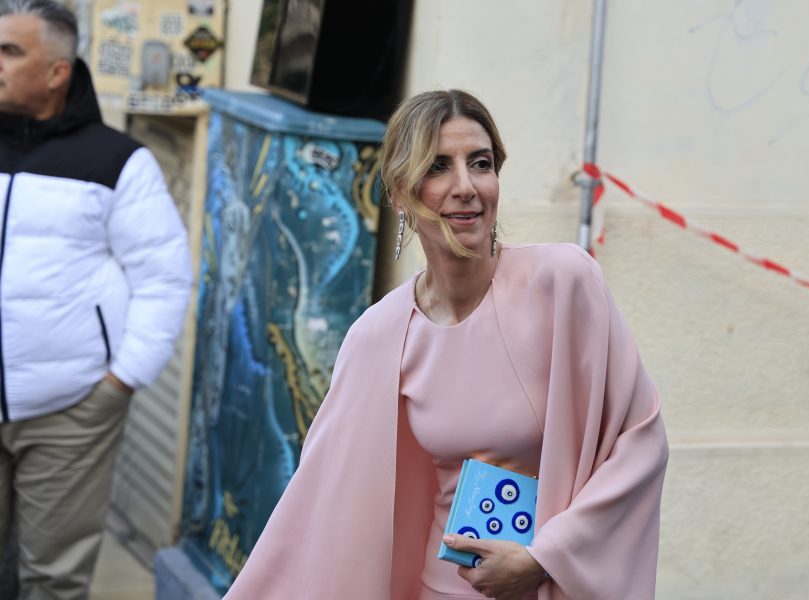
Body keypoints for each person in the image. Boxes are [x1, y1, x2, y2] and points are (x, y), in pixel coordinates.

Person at [225, 90, 668, 600]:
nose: (466, 187)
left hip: (552, 584)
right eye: (438, 167)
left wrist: (545, 557)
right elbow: (320, 503)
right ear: (399, 193)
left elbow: (641, 442)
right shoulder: (380, 336)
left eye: (481, 164)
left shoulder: (564, 284)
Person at [0, 1, 192, 597]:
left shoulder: (117, 161)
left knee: (52, 579)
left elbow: (165, 278)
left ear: (57, 72)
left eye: (10, 51)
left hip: (69, 411)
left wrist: (120, 381)